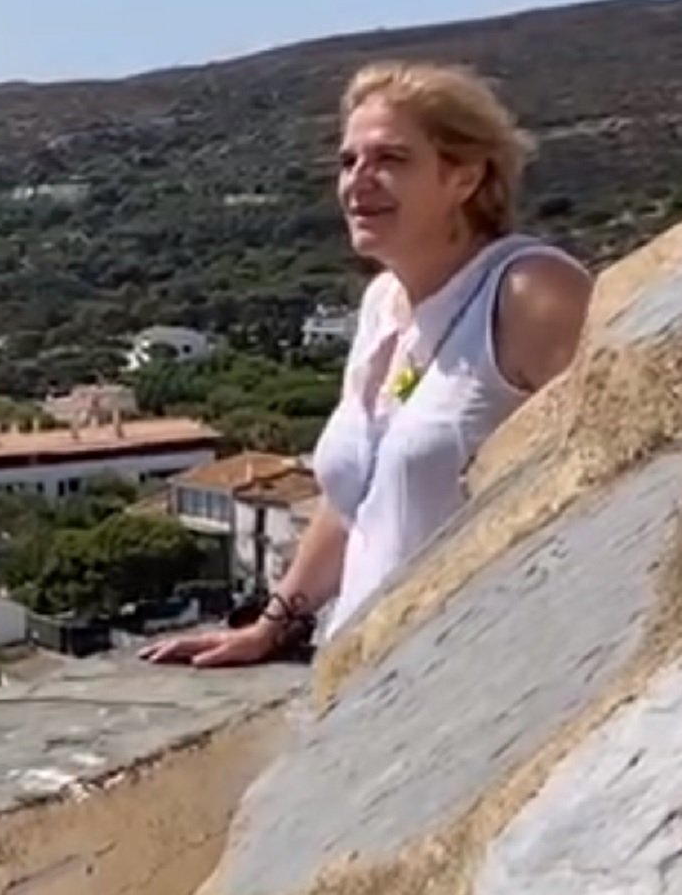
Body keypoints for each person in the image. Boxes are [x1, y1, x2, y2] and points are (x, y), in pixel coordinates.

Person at [143, 61, 592, 667]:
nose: (359, 181)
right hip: (363, 680)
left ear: (463, 176)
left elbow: (606, 470)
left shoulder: (529, 293)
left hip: (478, 677)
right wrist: (273, 624)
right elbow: (358, 494)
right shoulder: (384, 302)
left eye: (390, 159)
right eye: (349, 161)